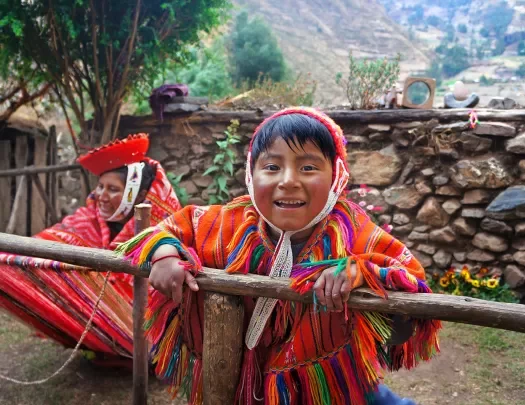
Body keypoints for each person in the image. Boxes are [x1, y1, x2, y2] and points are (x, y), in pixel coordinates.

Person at [118, 108, 441, 404]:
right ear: (250, 174)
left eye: (309, 167)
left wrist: (358, 272)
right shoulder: (225, 223)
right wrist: (163, 255)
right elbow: (164, 230)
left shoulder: (353, 231)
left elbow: (407, 278)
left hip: (332, 381)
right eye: (272, 167)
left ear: (336, 177)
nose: (288, 181)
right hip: (239, 376)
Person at [0, 133, 181, 365]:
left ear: (139, 195)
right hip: (108, 319)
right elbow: (50, 241)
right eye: (100, 187)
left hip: (149, 332)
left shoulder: (166, 231)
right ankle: (107, 342)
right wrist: (12, 261)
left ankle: (138, 349)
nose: (101, 197)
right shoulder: (90, 217)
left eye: (113, 189)